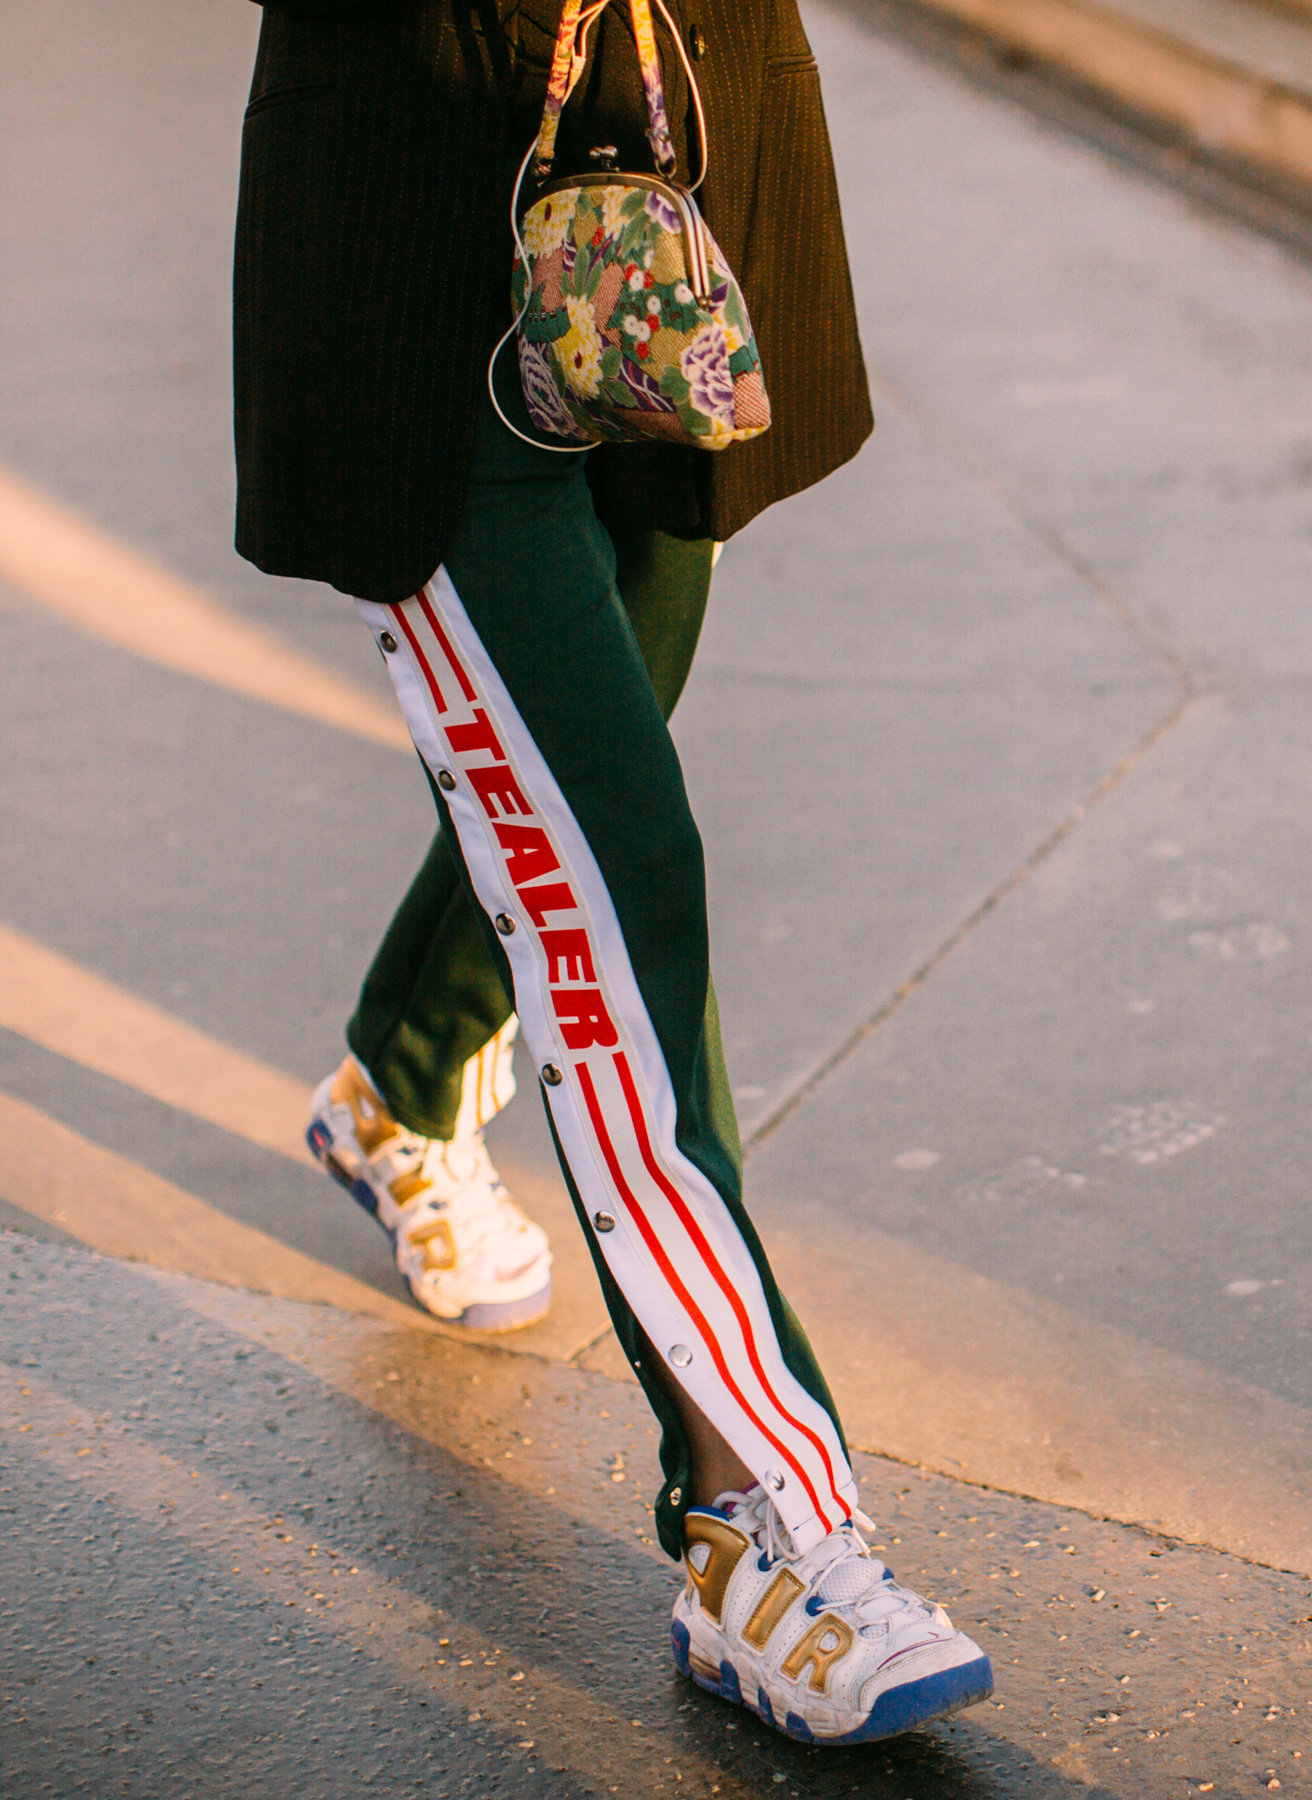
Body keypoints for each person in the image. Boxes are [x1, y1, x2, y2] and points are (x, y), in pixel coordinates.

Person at [233, 0, 993, 1742]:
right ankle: (761, 1526)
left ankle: (401, 1090)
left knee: (590, 770)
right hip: (424, 283)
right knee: (617, 882)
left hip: (662, 217)